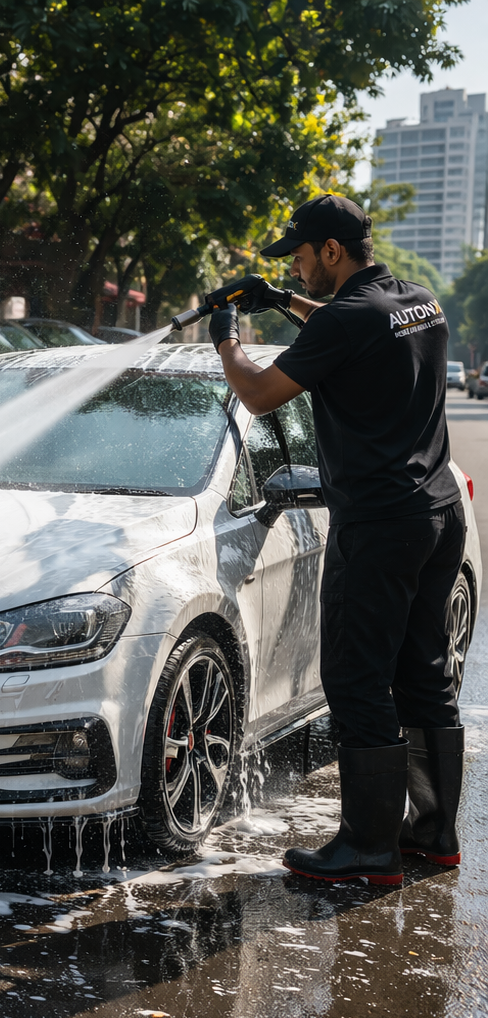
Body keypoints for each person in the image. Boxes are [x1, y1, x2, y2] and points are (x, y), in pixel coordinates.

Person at [204, 193, 465, 884]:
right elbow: (352, 326)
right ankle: (435, 833)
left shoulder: (351, 318)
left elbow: (259, 393)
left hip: (380, 526)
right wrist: (283, 298)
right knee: (423, 674)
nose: (295, 261)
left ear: (331, 250)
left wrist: (227, 335)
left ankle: (368, 847)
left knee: (355, 678)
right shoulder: (418, 301)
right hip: (438, 515)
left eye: (299, 253)